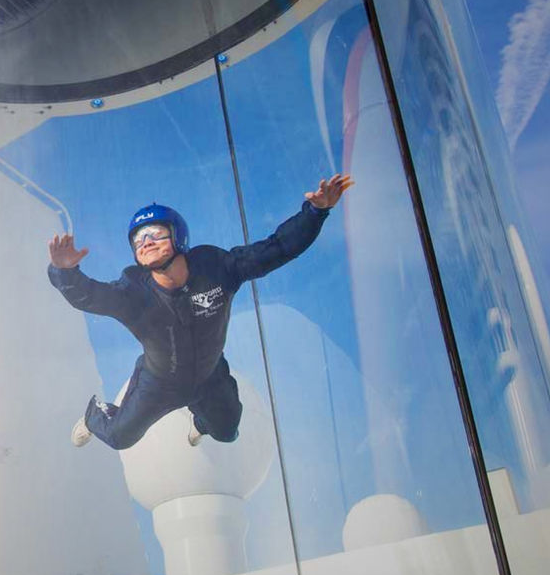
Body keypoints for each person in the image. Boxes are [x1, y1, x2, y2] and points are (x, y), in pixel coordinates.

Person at [47, 174, 354, 449]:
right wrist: (64, 272)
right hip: (158, 384)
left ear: (178, 235)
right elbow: (88, 297)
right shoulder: (133, 293)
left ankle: (201, 420)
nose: (146, 242)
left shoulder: (218, 268)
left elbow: (276, 249)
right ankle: (92, 416)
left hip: (209, 375)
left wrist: (315, 212)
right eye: (138, 239)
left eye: (154, 233)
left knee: (227, 432)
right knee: (118, 438)